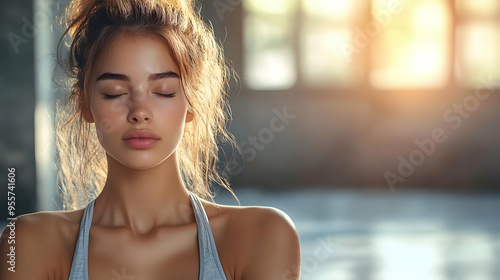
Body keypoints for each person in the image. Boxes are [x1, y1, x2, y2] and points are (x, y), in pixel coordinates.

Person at [0, 0, 301, 279]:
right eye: (114, 93)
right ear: (84, 103)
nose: (140, 112)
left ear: (192, 102)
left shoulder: (262, 235)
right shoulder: (28, 242)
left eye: (164, 91)